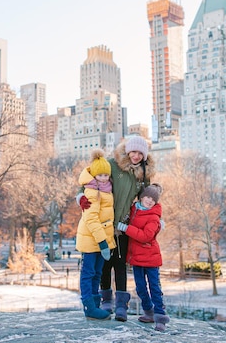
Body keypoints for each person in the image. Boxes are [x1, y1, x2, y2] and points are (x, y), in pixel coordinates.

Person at [77, 135, 155, 321]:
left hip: (122, 225)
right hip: (103, 224)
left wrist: (155, 215)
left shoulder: (143, 173)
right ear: (127, 151)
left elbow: (148, 198)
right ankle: (105, 301)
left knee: (120, 265)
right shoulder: (112, 164)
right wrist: (81, 196)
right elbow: (91, 177)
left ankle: (121, 305)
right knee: (103, 265)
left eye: (139, 153)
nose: (136, 156)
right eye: (133, 152)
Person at [116, 185, 170, 331]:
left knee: (154, 288)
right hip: (136, 258)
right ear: (141, 197)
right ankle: (149, 312)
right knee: (140, 288)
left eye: (153, 199)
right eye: (147, 197)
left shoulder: (153, 216)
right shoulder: (134, 209)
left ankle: (160, 317)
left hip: (150, 258)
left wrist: (126, 229)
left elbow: (146, 236)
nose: (150, 201)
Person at [75, 149, 116, 320]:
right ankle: (89, 306)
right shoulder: (92, 191)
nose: (104, 178)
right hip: (92, 240)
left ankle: (95, 304)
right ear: (94, 175)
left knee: (97, 273)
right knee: (88, 273)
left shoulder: (106, 189)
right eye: (100, 175)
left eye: (106, 175)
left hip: (101, 240)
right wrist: (103, 243)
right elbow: (91, 220)